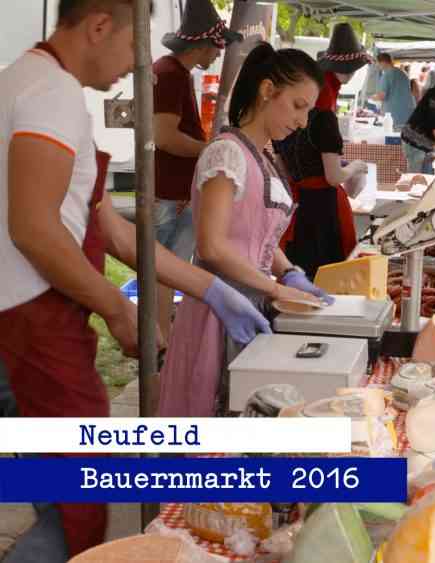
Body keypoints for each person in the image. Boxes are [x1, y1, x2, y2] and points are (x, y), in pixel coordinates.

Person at [0, 0, 270, 556]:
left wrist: (210, 290)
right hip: (29, 320)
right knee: (74, 502)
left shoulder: (28, 83)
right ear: (99, 26)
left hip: (29, 320)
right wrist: (115, 306)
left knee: (56, 493)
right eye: (133, 46)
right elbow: (33, 227)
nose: (136, 66)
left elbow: (117, 235)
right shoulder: (50, 93)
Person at [158, 44, 333, 418]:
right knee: (211, 416)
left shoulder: (264, 155)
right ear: (268, 90)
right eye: (298, 106)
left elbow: (256, 225)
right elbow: (212, 246)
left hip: (250, 302)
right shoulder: (227, 154)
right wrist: (273, 286)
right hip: (217, 307)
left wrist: (288, 271)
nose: (302, 122)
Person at [153, 0, 241, 341]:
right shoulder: (171, 74)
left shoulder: (174, 73)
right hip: (169, 192)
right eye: (218, 45)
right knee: (166, 271)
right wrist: (209, 149)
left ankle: (163, 337)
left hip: (173, 190)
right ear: (203, 44)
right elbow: (164, 137)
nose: (219, 53)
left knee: (168, 270)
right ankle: (161, 340)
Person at [272, 23, 370, 278]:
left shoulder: (283, 118)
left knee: (298, 275)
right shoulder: (324, 117)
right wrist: (357, 166)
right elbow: (333, 176)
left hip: (296, 205)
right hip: (323, 211)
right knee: (326, 278)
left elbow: (282, 165)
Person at [372, 52, 416, 130]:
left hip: (395, 117)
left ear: (382, 62)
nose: (377, 66)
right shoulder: (403, 73)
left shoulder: (386, 75)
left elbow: (382, 96)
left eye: (378, 63)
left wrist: (373, 97)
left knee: (394, 140)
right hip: (409, 114)